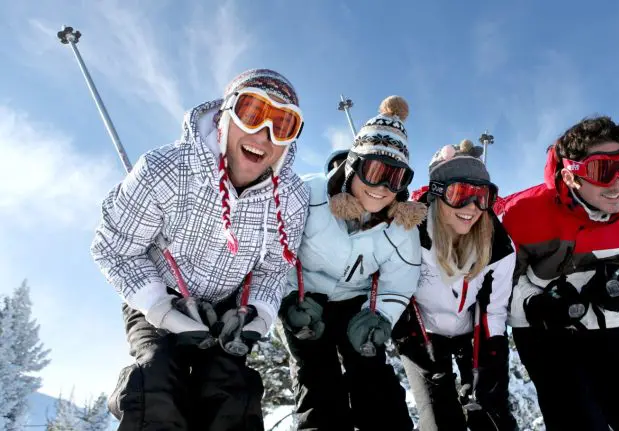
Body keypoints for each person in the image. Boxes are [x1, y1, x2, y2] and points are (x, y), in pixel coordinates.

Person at [90, 69, 310, 431]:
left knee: (231, 392)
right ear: (225, 116)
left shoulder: (289, 198)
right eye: (252, 114)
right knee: (157, 380)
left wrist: (256, 313)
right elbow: (113, 248)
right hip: (160, 294)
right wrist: (161, 308)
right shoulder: (166, 171)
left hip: (228, 310)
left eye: (282, 125)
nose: (263, 135)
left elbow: (273, 268)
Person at [501, 116, 619, 430]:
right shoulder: (521, 214)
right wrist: (536, 304)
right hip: (544, 332)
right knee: (579, 417)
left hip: (609, 324)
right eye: (602, 171)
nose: (618, 184)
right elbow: (496, 281)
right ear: (571, 176)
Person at [277, 96, 426, 431]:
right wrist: (288, 298)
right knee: (317, 379)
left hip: (357, 306)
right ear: (354, 165)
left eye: (396, 178)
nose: (383, 188)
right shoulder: (309, 195)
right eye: (375, 171)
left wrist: (380, 316)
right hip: (306, 299)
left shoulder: (401, 224)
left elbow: (400, 280)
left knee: (373, 378)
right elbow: (276, 252)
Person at [394, 139, 519, 431]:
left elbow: (494, 311)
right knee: (438, 418)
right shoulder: (412, 234)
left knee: (490, 415)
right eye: (460, 194)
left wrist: (489, 367)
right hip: (423, 333)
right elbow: (396, 291)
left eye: (482, 197)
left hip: (469, 334)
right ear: (437, 194)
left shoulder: (498, 246)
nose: (472, 208)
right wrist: (419, 350)